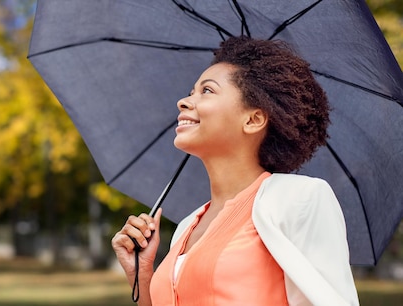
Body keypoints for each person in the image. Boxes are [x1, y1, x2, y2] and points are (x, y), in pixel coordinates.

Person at [111, 36, 359, 306]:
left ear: (253, 119)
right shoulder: (186, 226)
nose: (183, 101)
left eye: (207, 91)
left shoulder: (299, 199)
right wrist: (143, 276)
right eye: (191, 91)